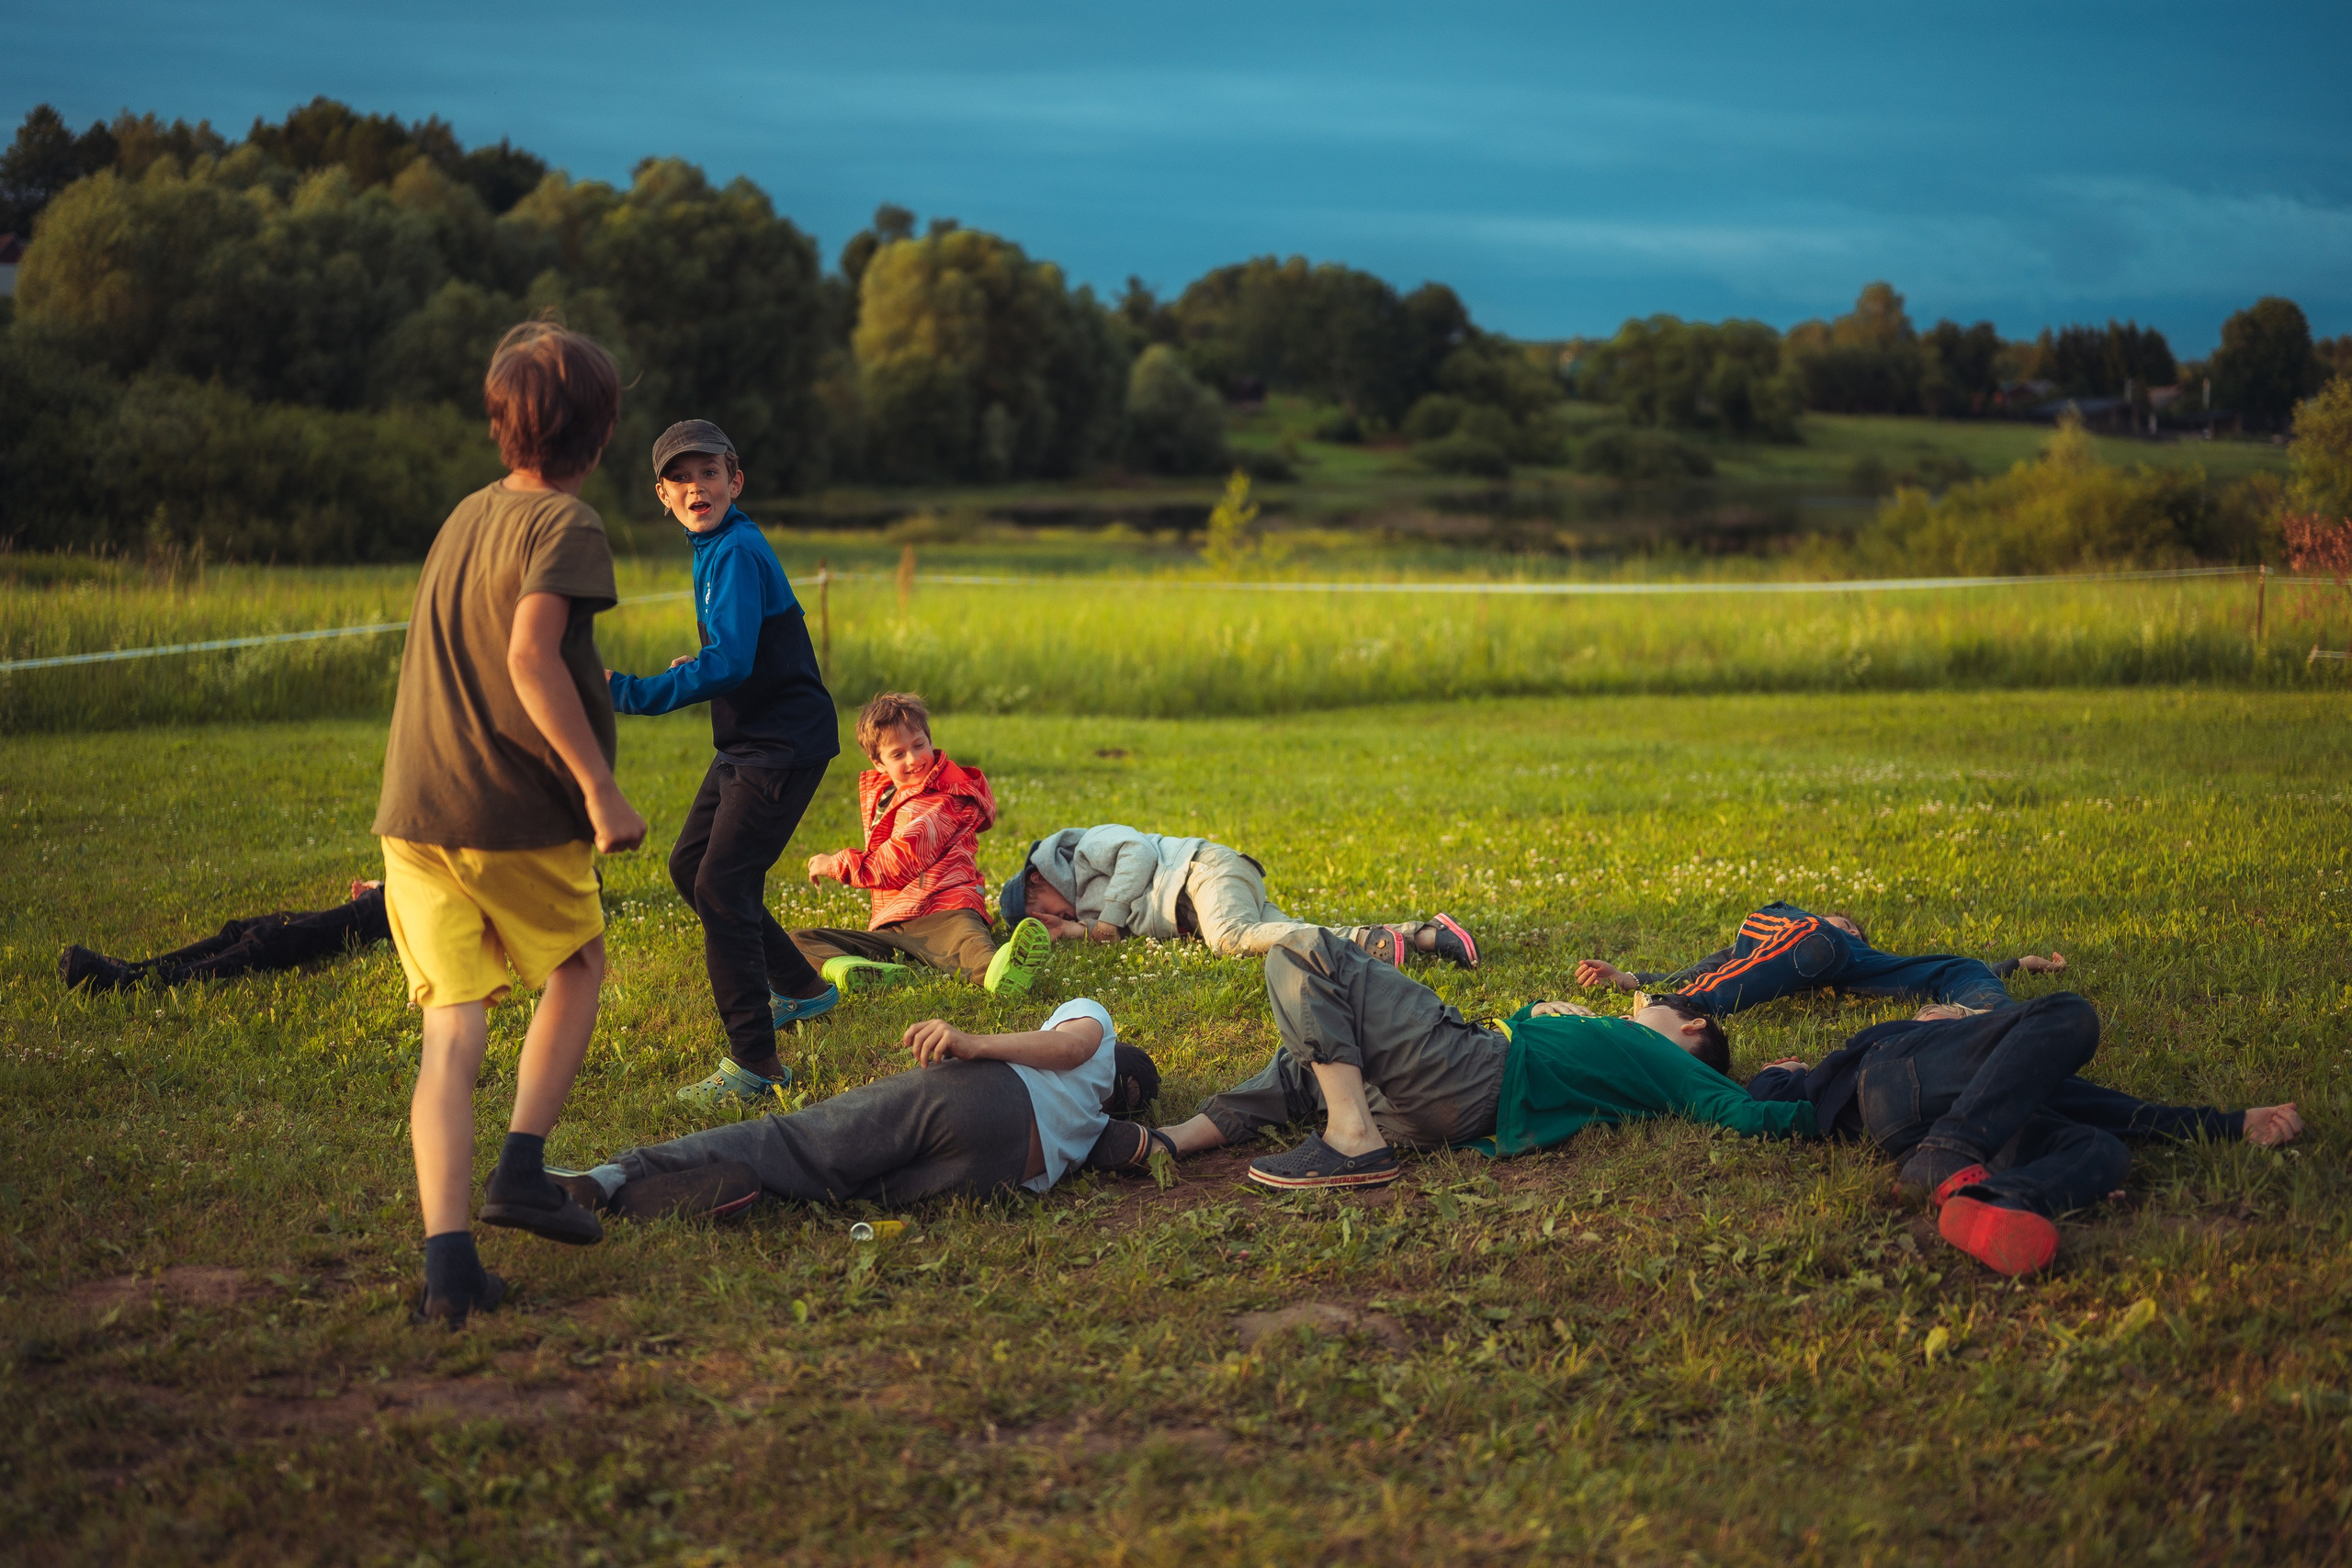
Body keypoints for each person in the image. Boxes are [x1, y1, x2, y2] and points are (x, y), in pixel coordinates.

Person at [372, 321, 649, 1326]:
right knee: (576, 966)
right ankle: (522, 1169)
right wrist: (599, 790)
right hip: (511, 812)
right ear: (603, 431)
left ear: (501, 426)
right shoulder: (566, 526)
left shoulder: (465, 515)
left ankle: (450, 1273)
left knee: (451, 1034)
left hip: (416, 810)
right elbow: (532, 658)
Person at [1152, 930, 1813, 1190]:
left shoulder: (1668, 1059)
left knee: (1303, 954)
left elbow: (1744, 1111)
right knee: (1313, 1062)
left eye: (1654, 1002)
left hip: (1471, 1066)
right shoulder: (1632, 1059)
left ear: (1691, 1024)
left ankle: (1352, 1140)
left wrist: (1801, 1087)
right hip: (1448, 1104)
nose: (1641, 1006)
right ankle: (1173, 1139)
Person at [605, 420, 842, 1110]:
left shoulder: (734, 548)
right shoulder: (712, 545)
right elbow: (737, 649)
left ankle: (756, 1064)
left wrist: (628, 690)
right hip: (750, 740)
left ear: (734, 481)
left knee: (721, 887)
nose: (696, 487)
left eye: (709, 473)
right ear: (663, 495)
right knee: (692, 866)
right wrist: (706, 662)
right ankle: (802, 987)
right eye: (681, 478)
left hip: (781, 745)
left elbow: (734, 660)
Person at [1743, 992, 2303, 1276]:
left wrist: (2233, 1124)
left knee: (2099, 1148)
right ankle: (1948, 1157)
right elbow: (1761, 1099)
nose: (1966, 1018)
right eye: (1954, 1012)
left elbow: (2116, 1113)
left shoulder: (2013, 1083)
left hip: (1926, 1139)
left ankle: (1997, 1199)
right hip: (1897, 1083)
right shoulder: (1896, 1038)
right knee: (2068, 1012)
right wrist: (1783, 1070)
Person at [546, 999, 1160, 1223]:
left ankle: (613, 1175)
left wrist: (974, 1044)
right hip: (994, 1175)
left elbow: (1072, 1043)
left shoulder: (1095, 1031)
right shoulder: (1098, 1127)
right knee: (837, 1185)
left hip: (984, 1096)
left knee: (796, 1139)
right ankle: (654, 1199)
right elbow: (1152, 1146)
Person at [792, 691, 1051, 997]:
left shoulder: (942, 801)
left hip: (947, 912)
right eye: (898, 754)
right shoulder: (889, 796)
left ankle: (1004, 970)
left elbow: (898, 861)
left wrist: (835, 864)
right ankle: (857, 969)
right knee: (797, 941)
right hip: (894, 927)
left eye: (919, 745)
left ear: (930, 740)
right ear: (879, 763)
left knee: (971, 949)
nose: (914, 759)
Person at [999, 825, 1478, 969]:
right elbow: (1114, 934)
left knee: (1229, 939)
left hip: (1204, 874)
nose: (1054, 916)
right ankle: (1424, 936)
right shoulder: (1083, 905)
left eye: (1043, 913)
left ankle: (1374, 940)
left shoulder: (1082, 849)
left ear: (1038, 882)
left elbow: (1138, 851)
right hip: (1206, 895)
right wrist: (1072, 931)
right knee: (1292, 938)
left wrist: (1106, 919)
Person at [1574, 900, 2065, 1016]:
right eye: (1839, 921)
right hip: (1784, 929)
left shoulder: (1856, 953)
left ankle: (1993, 1022)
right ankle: (1673, 1006)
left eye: (1850, 926)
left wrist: (2017, 964)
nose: (1844, 927)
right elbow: (1712, 966)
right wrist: (1631, 977)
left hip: (1838, 962)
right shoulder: (1796, 928)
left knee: (1962, 967)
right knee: (1816, 939)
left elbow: (1931, 964)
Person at [60, 879, 390, 992]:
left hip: (390, 912)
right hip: (386, 901)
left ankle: (142, 982)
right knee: (239, 930)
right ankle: (137, 969)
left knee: (271, 941)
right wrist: (376, 886)